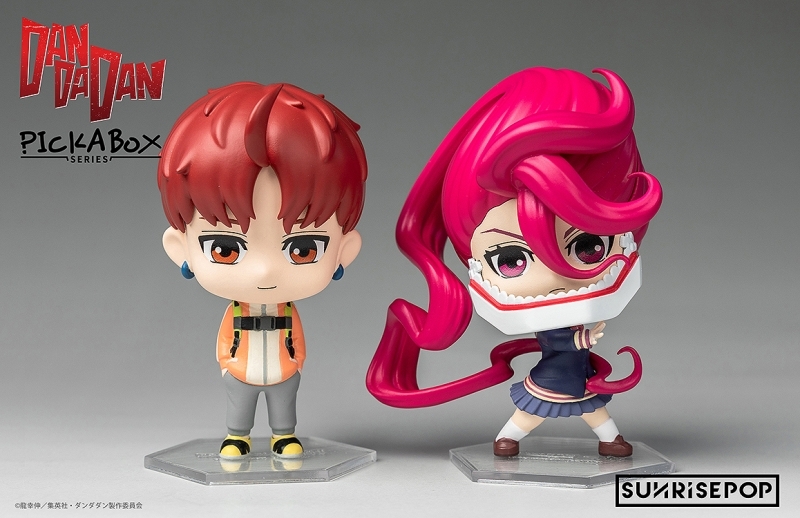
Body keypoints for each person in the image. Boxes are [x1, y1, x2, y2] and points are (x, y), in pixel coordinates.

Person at [367, 68, 661, 457]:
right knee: (535, 411)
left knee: (586, 409)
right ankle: (513, 439)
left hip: (577, 376)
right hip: (557, 377)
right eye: (511, 259)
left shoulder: (578, 307)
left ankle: (604, 440)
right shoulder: (561, 326)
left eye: (589, 246)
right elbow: (558, 339)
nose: (554, 277)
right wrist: (585, 340)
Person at [158, 82, 367, 459]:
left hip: (284, 368)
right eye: (225, 249)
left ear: (344, 252)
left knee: (284, 405)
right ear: (180, 249)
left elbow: (298, 339)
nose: (264, 270)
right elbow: (224, 340)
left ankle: (283, 436)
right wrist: (227, 365)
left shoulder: (287, 312)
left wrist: (296, 361)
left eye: (303, 249)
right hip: (241, 367)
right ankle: (237, 436)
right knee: (239, 405)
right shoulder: (237, 311)